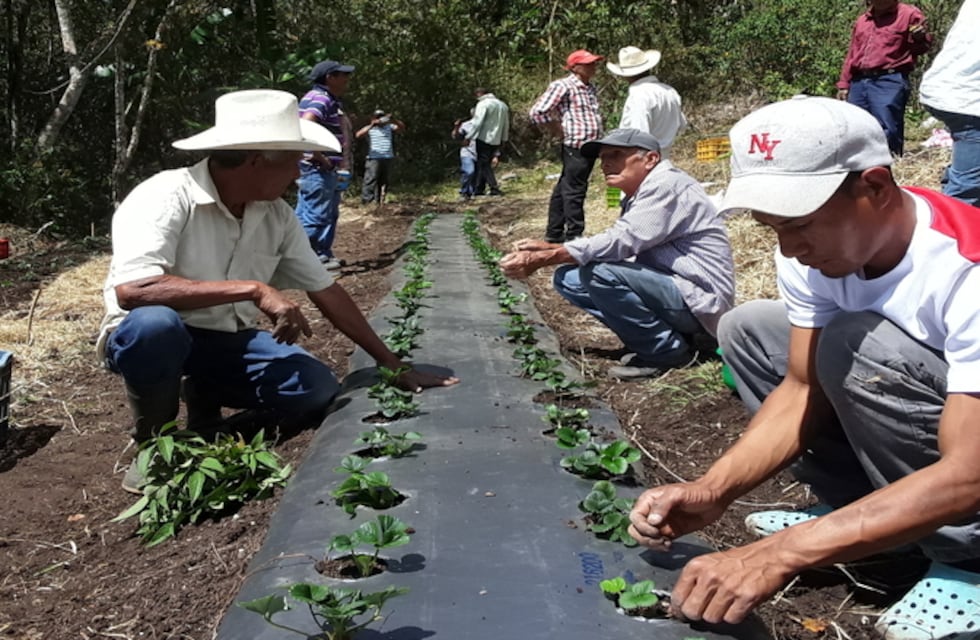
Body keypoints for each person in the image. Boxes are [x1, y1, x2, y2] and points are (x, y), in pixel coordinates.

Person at [628, 96, 980, 638]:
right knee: (748, 329)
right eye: (772, 227)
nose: (789, 248)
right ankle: (857, 511)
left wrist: (779, 555)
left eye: (801, 223)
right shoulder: (811, 252)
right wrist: (713, 489)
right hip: (931, 408)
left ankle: (966, 562)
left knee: (855, 342)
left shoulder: (966, 270)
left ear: (876, 188)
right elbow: (799, 388)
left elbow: (971, 473)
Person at [96, 89, 459, 494]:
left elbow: (327, 291)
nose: (297, 176)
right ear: (255, 162)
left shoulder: (274, 214)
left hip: (225, 340)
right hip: (154, 336)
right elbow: (134, 291)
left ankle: (206, 408)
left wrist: (392, 364)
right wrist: (253, 289)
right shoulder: (165, 196)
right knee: (156, 326)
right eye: (291, 164)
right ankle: (153, 444)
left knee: (316, 390)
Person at [499, 129, 734, 379]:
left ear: (650, 159)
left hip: (701, 300)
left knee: (598, 273)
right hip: (675, 291)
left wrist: (547, 257)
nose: (605, 164)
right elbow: (622, 242)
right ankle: (665, 336)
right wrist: (553, 249)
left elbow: (623, 241)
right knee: (568, 278)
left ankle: (665, 352)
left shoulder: (667, 185)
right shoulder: (642, 191)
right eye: (602, 157)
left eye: (616, 155)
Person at [836, 0, 932, 156]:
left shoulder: (909, 15)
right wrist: (844, 83)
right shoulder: (863, 20)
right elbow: (852, 53)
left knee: (887, 127)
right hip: (859, 80)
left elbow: (922, 48)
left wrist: (919, 38)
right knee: (857, 127)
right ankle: (861, 170)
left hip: (888, 80)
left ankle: (887, 169)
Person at [529, 49, 604, 243]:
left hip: (591, 144)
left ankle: (554, 231)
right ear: (575, 67)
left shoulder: (590, 87)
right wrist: (556, 128)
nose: (593, 67)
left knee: (566, 186)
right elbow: (538, 111)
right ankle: (574, 234)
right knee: (575, 190)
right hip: (576, 143)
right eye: (588, 64)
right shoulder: (564, 86)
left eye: (594, 63)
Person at [919, 0, 980, 208]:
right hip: (969, 100)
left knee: (967, 169)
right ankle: (952, 233)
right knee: (967, 187)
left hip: (948, 89)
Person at [295, 59, 355, 270]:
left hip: (318, 166)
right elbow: (308, 123)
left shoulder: (320, 97)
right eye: (343, 75)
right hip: (317, 167)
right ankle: (313, 259)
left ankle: (319, 255)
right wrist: (320, 156)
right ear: (330, 78)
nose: (347, 79)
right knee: (317, 213)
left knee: (313, 212)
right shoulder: (321, 99)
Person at [606, 46, 687, 157]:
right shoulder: (670, 91)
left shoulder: (639, 95)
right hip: (664, 157)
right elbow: (682, 124)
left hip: (643, 160)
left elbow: (638, 135)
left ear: (625, 75)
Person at [465, 88, 510, 197]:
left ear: (479, 94)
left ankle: (494, 187)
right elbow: (506, 123)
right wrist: (504, 138)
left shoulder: (483, 104)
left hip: (484, 137)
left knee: (484, 164)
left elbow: (477, 122)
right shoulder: (502, 105)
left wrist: (469, 136)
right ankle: (479, 189)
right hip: (497, 138)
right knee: (484, 163)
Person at [356, 109, 405, 205]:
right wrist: (372, 125)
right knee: (370, 179)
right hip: (373, 157)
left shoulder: (389, 127)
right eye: (377, 117)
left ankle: (380, 199)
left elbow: (402, 128)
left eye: (381, 117)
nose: (380, 120)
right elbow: (358, 135)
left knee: (384, 180)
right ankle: (367, 200)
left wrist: (393, 120)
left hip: (387, 157)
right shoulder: (370, 128)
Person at [452, 114, 477, 201]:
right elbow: (455, 136)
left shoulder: (487, 125)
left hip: (480, 153)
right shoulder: (466, 125)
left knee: (476, 174)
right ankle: (463, 191)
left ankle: (471, 193)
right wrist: (456, 127)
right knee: (469, 171)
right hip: (467, 152)